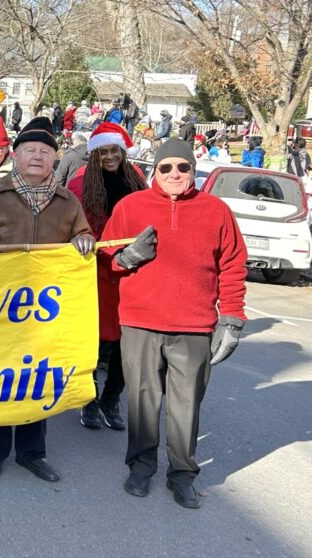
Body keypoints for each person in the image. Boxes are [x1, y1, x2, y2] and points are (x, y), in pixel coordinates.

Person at [101, 139, 247, 508]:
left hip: (194, 325)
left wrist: (231, 318)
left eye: (182, 167)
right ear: (155, 170)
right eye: (166, 168)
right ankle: (142, 465)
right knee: (142, 401)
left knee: (186, 405)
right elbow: (105, 256)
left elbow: (232, 264)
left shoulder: (216, 210)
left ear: (192, 169)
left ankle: (182, 473)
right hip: (140, 322)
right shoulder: (130, 206)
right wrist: (127, 257)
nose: (174, 174)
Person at [0, 116, 94, 484]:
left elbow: (83, 233)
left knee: (37, 381)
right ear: (15, 156)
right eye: (30, 150)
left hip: (45, 312)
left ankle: (32, 453)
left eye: (44, 152)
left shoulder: (67, 202)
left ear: (54, 158)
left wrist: (83, 240)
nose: (37, 157)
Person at [66, 123, 147, 432]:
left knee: (127, 343)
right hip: (96, 272)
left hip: (132, 272)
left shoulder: (136, 179)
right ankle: (90, 400)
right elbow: (74, 226)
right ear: (95, 154)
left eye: (115, 151)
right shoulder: (79, 184)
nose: (110, 157)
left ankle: (112, 399)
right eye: (104, 152)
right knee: (95, 342)